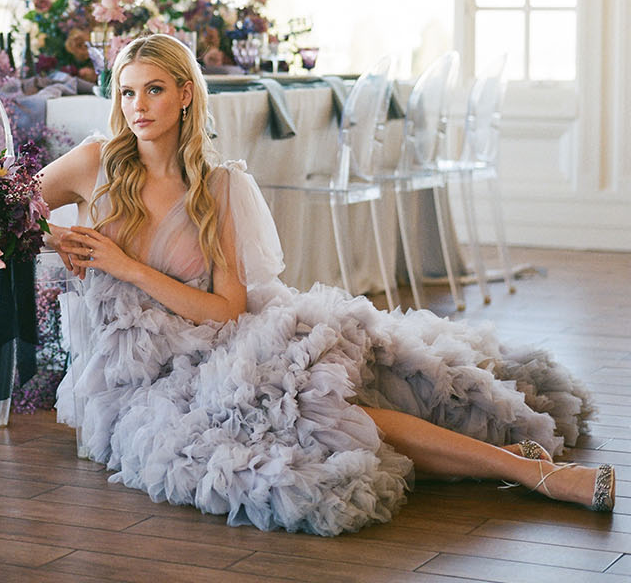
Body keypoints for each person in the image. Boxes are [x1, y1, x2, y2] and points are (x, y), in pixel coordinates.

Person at [37, 33, 615, 535]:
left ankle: (527, 470)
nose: (138, 106)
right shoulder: (95, 164)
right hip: (141, 374)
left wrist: (126, 266)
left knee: (340, 403)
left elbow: (225, 311)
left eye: (154, 89)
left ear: (186, 93)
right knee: (324, 428)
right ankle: (523, 469)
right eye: (127, 92)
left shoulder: (215, 187)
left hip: (217, 341)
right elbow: (11, 210)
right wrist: (56, 239)